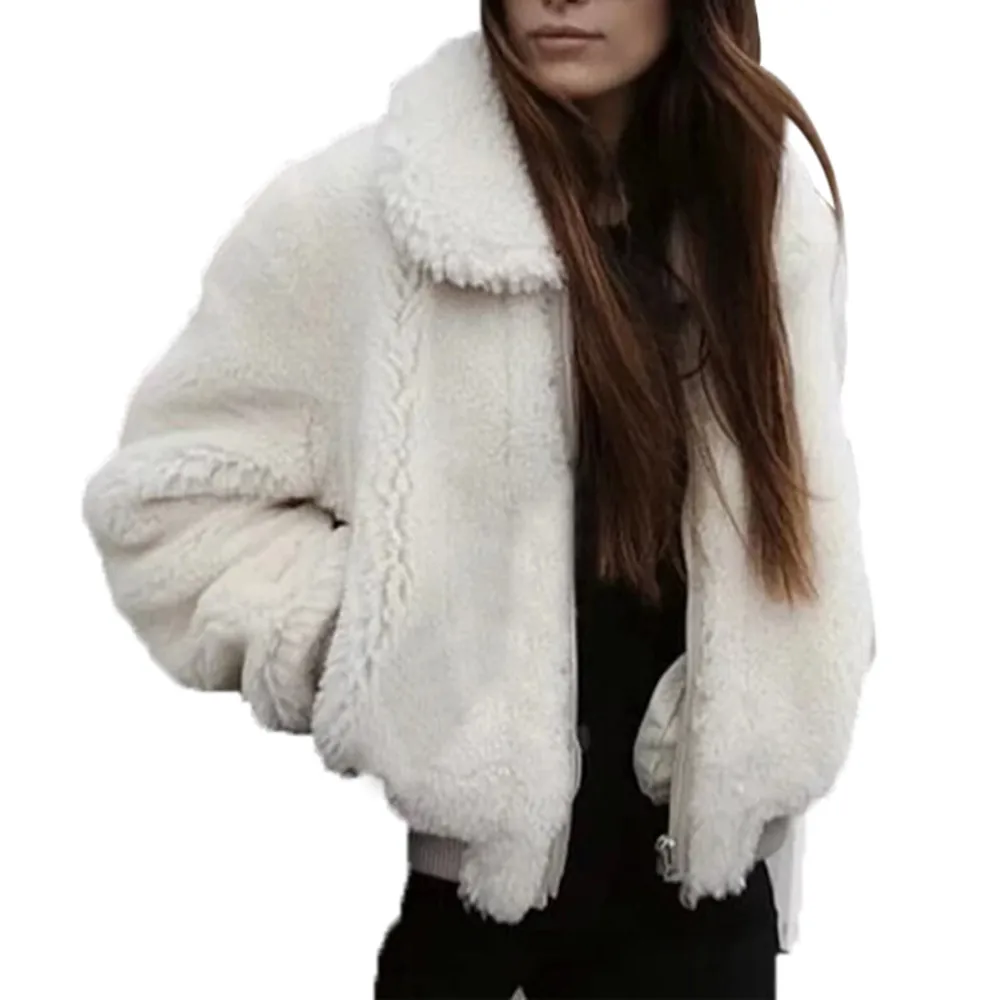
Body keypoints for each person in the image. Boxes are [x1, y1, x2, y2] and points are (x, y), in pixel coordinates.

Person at [82, 1, 876, 996]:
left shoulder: (770, 218)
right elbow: (165, 503)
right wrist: (369, 638)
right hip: (482, 940)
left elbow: (797, 533)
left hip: (710, 923)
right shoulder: (371, 211)